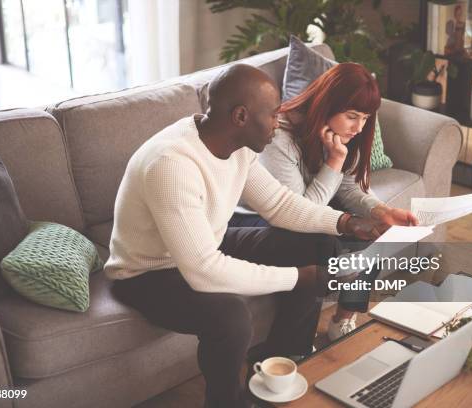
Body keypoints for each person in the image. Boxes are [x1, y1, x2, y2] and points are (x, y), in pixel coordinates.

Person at [104, 64, 390, 408]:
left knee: (320, 244)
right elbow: (204, 270)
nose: (278, 123)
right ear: (241, 116)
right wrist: (302, 277)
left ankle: (285, 361)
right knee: (231, 317)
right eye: (272, 114)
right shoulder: (172, 164)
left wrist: (346, 222)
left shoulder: (237, 146)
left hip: (206, 241)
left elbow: (280, 205)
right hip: (147, 272)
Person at [230, 63, 419, 341]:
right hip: (254, 218)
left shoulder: (345, 134)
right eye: (352, 116)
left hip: (302, 211)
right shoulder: (279, 137)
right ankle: (291, 349)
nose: (359, 127)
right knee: (318, 245)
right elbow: (297, 212)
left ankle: (343, 319)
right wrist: (334, 161)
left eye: (365, 118)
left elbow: (349, 188)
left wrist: (383, 211)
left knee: (377, 228)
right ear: (325, 105)